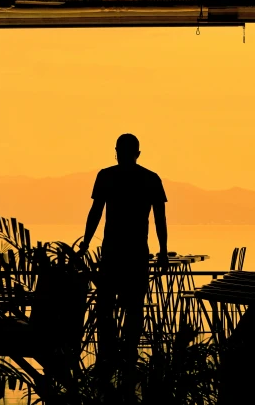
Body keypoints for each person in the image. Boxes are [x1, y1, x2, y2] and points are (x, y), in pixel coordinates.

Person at [79, 133, 169, 400]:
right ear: (138, 153)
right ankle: (128, 357)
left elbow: (96, 211)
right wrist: (163, 252)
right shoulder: (151, 179)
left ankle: (108, 357)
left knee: (106, 307)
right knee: (133, 307)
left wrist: (84, 244)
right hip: (135, 255)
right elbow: (160, 219)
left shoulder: (106, 176)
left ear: (117, 152)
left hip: (113, 254)